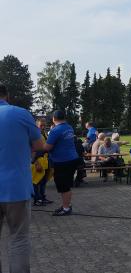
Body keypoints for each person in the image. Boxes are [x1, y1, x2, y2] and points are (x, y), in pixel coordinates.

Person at [0, 83, 44, 272]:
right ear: (6, 95)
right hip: (16, 188)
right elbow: (40, 145)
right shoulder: (20, 113)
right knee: (19, 239)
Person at [44, 110, 80, 216]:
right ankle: (66, 205)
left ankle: (66, 208)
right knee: (66, 185)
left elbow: (47, 147)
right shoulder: (69, 127)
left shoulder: (55, 130)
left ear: (54, 119)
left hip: (62, 161)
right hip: (72, 159)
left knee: (63, 186)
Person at [32, 118, 53, 206]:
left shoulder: (43, 134)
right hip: (38, 161)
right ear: (37, 125)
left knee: (43, 181)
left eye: (44, 125)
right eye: (41, 125)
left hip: (45, 161)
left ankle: (42, 197)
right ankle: (37, 199)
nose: (43, 127)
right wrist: (36, 162)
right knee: (36, 181)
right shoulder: (34, 135)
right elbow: (32, 150)